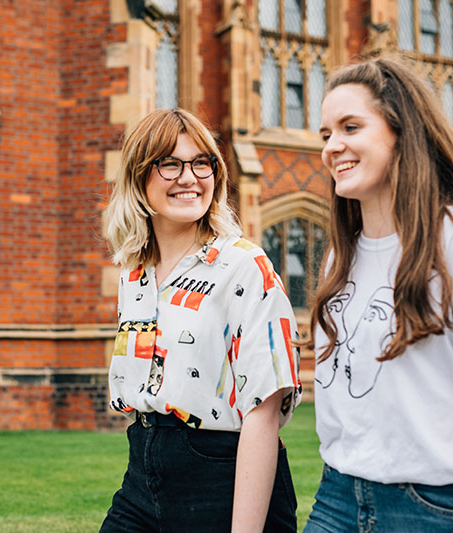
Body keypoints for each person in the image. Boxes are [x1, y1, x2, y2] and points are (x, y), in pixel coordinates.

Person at [304, 56, 453, 533]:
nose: (334, 147)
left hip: (434, 507)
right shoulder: (339, 257)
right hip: (338, 497)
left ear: (401, 131)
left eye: (351, 127)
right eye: (326, 134)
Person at [101, 108, 302, 533]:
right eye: (170, 164)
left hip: (222, 478)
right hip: (142, 473)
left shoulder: (244, 266)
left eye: (201, 163)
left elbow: (263, 413)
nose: (189, 178)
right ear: (139, 177)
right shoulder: (133, 274)